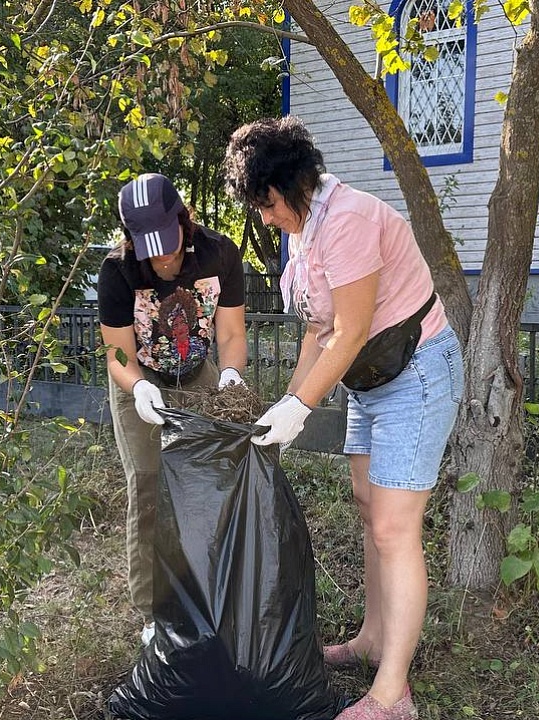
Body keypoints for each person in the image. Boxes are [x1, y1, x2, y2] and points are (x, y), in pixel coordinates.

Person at [223, 117, 463, 720]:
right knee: (367, 506)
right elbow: (318, 327)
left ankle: (393, 694)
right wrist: (288, 401)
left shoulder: (348, 220)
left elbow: (352, 330)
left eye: (266, 202)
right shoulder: (307, 228)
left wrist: (304, 407)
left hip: (416, 372)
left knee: (394, 528)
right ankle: (375, 638)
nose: (264, 217)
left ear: (293, 182)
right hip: (369, 379)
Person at [97, 172, 248, 645]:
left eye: (168, 240)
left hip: (199, 375)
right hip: (138, 381)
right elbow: (117, 352)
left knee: (202, 481)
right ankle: (150, 612)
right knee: (147, 485)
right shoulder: (118, 271)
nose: (162, 255)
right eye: (150, 246)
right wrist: (139, 388)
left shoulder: (219, 254)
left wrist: (231, 374)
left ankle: (201, 587)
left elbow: (230, 333)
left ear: (184, 220)